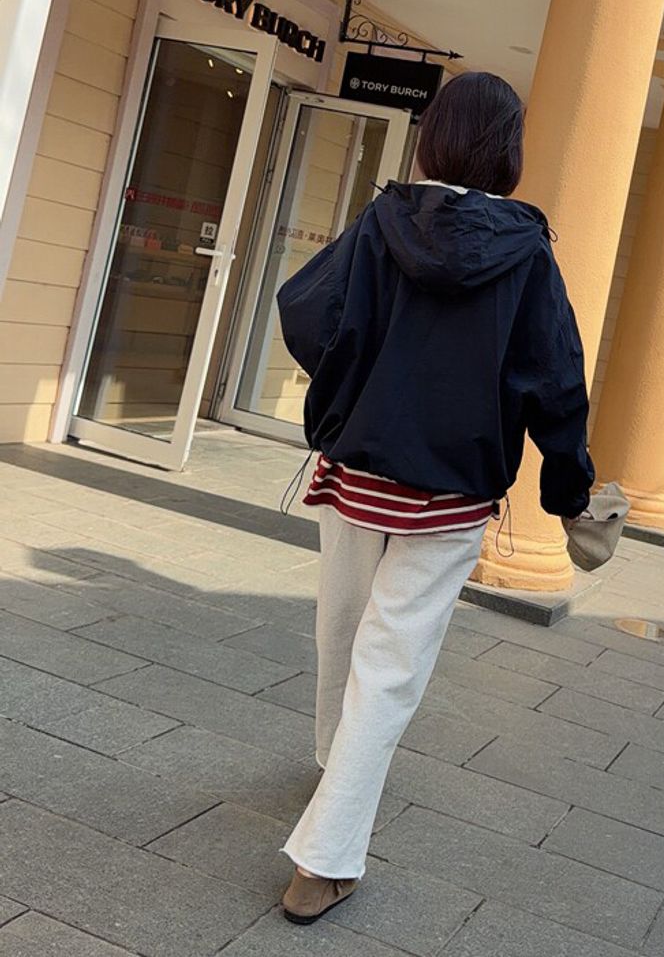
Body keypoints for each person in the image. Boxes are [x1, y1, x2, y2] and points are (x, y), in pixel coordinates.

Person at [274, 71, 594, 925]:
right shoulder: (528, 254)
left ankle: (332, 770)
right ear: (509, 149)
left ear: (434, 136)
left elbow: (305, 309)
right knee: (390, 661)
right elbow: (557, 381)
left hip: (358, 468)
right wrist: (569, 490)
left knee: (341, 627)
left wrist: (350, 389)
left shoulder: (383, 223)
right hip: (450, 491)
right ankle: (324, 857)